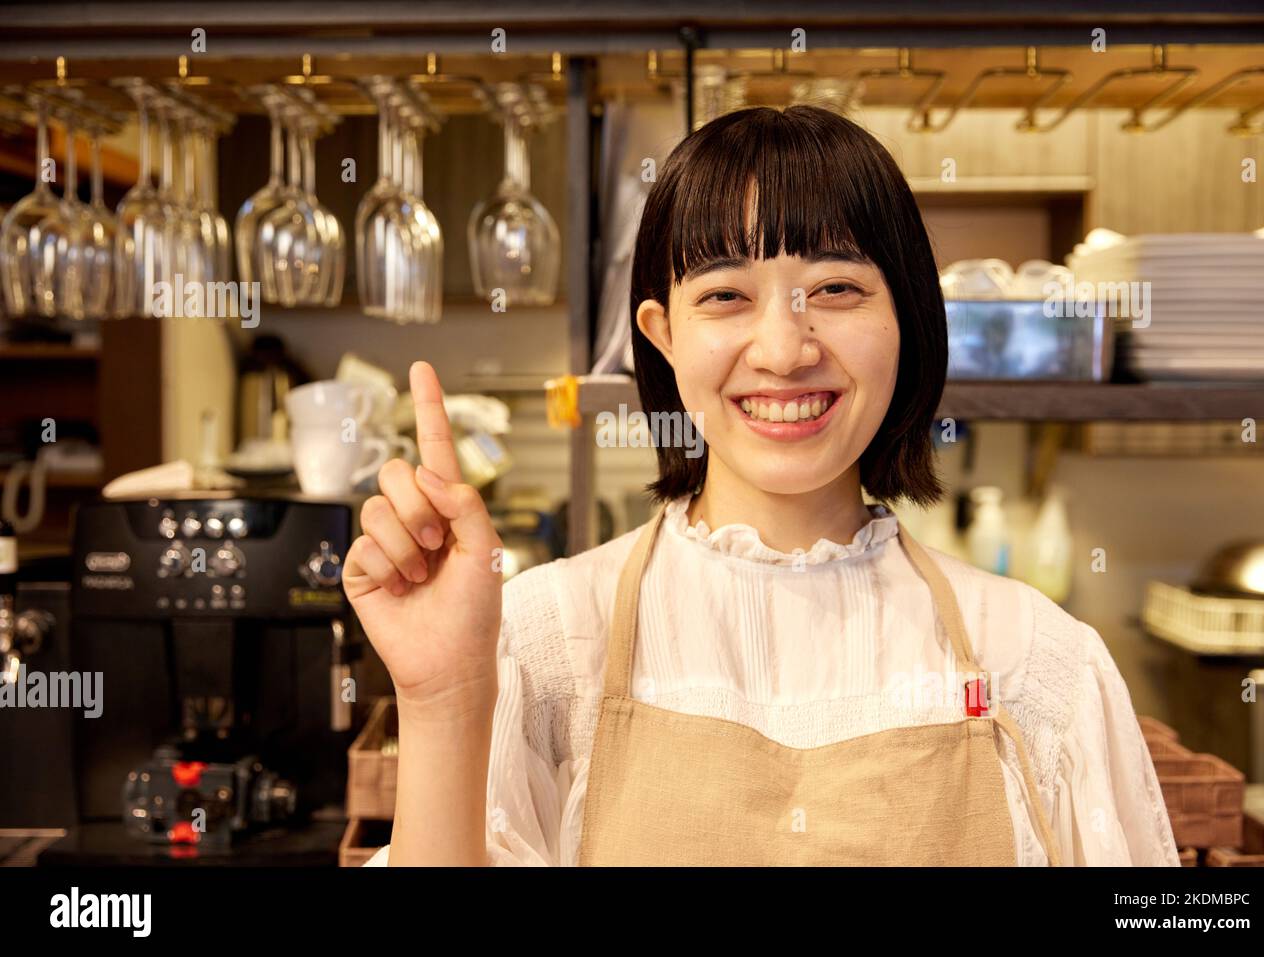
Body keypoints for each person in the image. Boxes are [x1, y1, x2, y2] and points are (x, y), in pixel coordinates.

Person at [345, 105, 1179, 866]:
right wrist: (444, 698)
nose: (784, 350)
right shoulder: (551, 639)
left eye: (838, 288)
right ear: (663, 335)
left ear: (908, 319)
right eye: (725, 295)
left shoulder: (1035, 661)